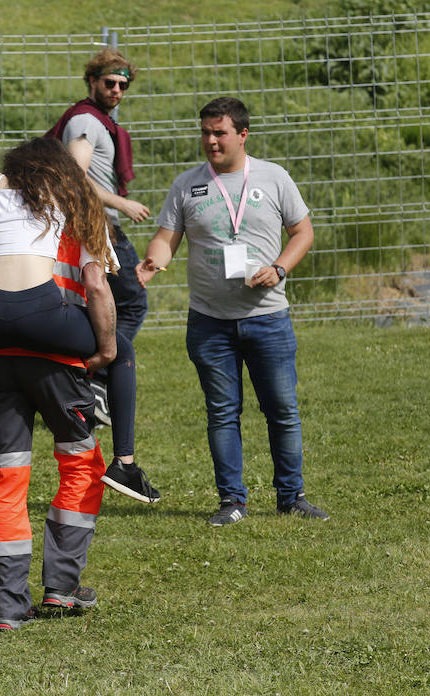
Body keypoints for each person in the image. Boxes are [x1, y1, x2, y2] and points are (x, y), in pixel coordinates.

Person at [0, 138, 116, 631]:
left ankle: (8, 605)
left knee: (2, 477)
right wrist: (105, 350)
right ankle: (61, 588)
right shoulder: (80, 211)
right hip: (59, 358)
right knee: (79, 464)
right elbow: (98, 287)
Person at [137, 97, 329, 526]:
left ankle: (291, 496)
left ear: (242, 134)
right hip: (209, 322)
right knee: (222, 412)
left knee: (282, 409)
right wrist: (154, 261)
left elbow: (303, 232)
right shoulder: (187, 185)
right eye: (205, 132)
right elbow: (167, 237)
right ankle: (232, 501)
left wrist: (279, 268)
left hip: (268, 317)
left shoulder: (274, 178)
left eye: (219, 132)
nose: (210, 141)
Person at [46, 48, 157, 492]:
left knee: (126, 300)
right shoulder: (87, 121)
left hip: (100, 224)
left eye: (123, 85)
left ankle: (96, 377)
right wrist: (120, 202)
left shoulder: (96, 120)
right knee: (127, 301)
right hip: (97, 225)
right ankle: (97, 377)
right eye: (110, 82)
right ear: (92, 80)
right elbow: (73, 173)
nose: (117, 90)